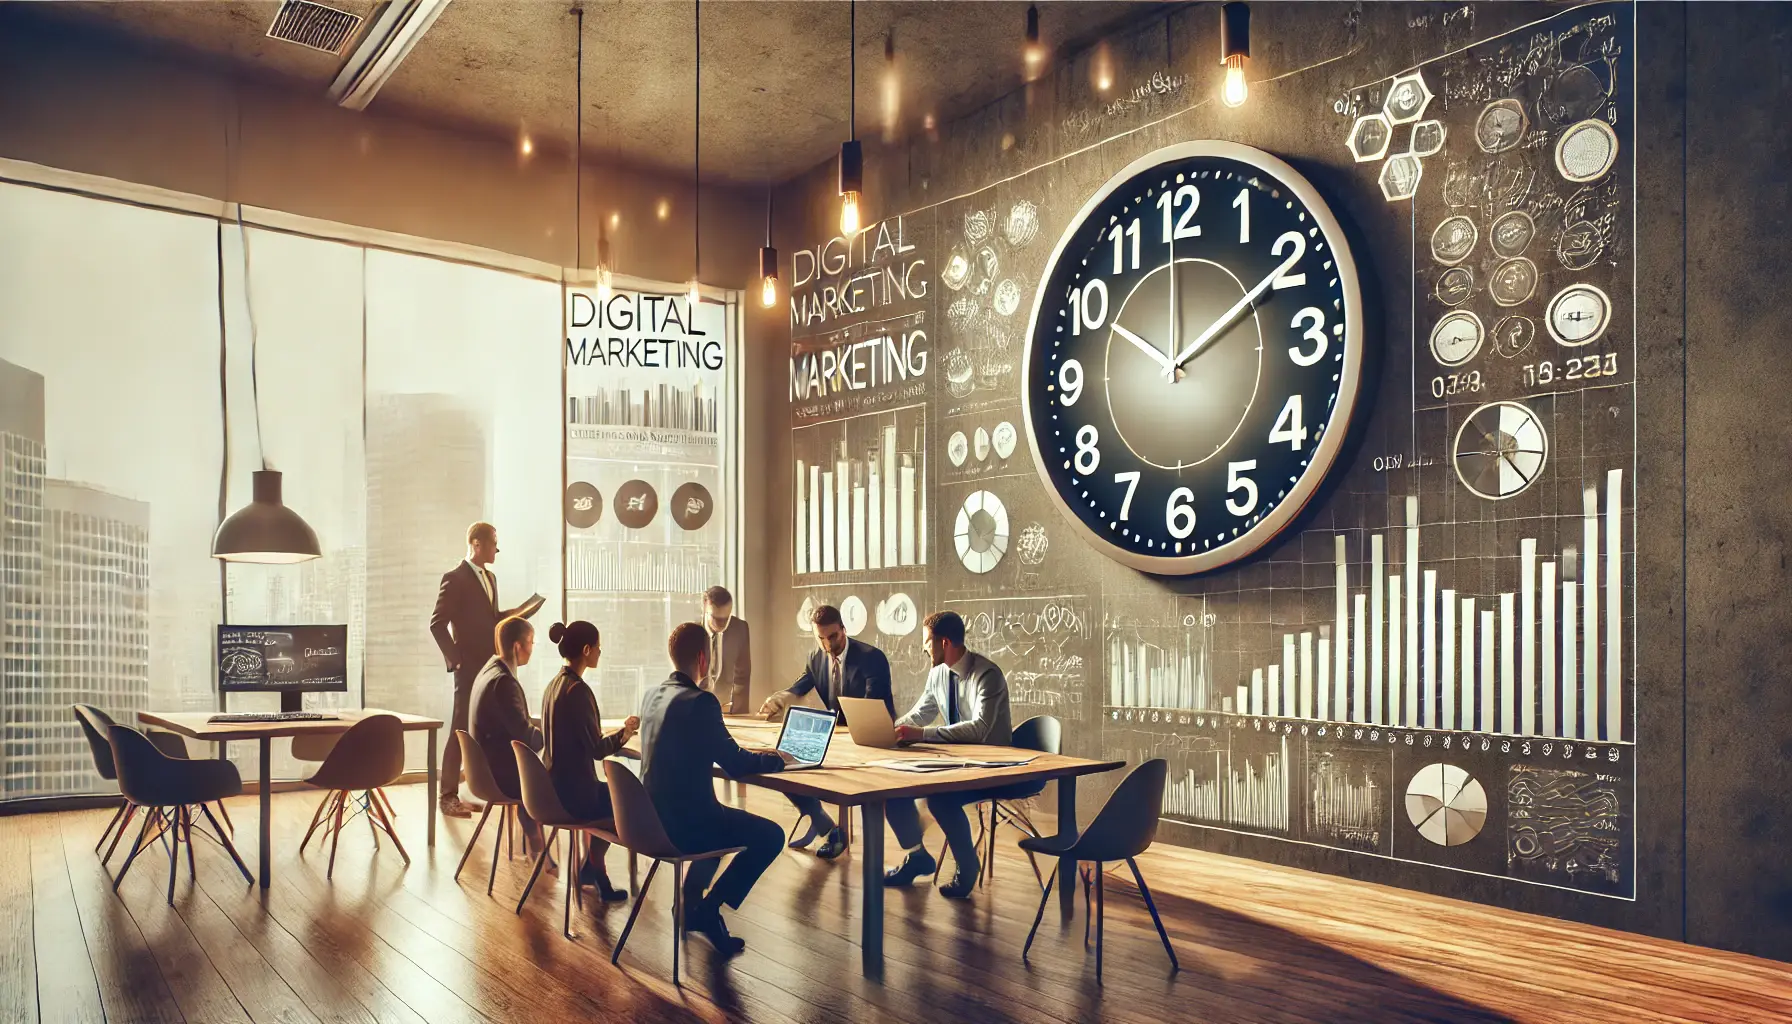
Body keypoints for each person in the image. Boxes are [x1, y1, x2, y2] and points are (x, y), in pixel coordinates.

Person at [637, 622, 795, 955]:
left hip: (648, 821)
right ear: (703, 659)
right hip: (684, 828)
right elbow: (735, 764)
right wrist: (777, 759)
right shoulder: (701, 702)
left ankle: (690, 905)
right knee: (770, 835)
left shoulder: (652, 695)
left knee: (723, 822)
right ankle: (707, 911)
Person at [881, 610, 1020, 899]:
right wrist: (890, 728)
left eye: (926, 642)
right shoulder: (937, 673)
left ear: (944, 642)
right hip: (954, 761)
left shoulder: (988, 675)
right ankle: (916, 855)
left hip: (992, 767)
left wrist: (920, 735)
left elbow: (980, 730)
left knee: (939, 799)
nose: (923, 648)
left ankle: (967, 866)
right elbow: (923, 712)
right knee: (892, 787)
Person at [757, 603, 892, 860]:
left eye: (833, 637)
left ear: (843, 629)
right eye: (821, 638)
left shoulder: (871, 658)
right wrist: (783, 696)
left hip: (869, 740)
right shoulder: (816, 657)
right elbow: (805, 680)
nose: (828, 644)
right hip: (837, 737)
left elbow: (873, 705)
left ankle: (832, 830)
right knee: (785, 763)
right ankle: (822, 822)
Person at [430, 522, 537, 818]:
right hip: (469, 667)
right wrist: (456, 660)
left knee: (484, 729)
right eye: (493, 543)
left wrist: (519, 612)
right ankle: (447, 795)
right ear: (476, 544)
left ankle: (482, 788)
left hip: (490, 664)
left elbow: (491, 620)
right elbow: (436, 624)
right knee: (460, 728)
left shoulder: (490, 578)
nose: (496, 550)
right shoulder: (455, 579)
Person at [540, 620, 639, 902]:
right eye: (597, 647)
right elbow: (597, 749)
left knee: (613, 796)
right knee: (628, 801)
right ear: (586, 650)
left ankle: (591, 870)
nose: (600, 651)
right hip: (575, 795)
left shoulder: (554, 685)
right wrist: (627, 732)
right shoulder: (578, 691)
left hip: (554, 789)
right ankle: (597, 871)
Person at [470, 616, 548, 860]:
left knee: (535, 770)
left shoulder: (489, 670)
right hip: (500, 776)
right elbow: (526, 737)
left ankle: (537, 846)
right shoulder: (504, 683)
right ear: (518, 646)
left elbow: (514, 723)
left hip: (483, 770)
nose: (532, 649)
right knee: (553, 777)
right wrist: (553, 735)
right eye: (532, 643)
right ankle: (541, 849)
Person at [699, 585, 752, 714]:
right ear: (704, 607)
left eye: (725, 618)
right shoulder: (692, 631)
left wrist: (738, 712)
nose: (721, 624)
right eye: (716, 618)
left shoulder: (740, 629)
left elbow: (743, 676)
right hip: (698, 708)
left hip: (728, 710)